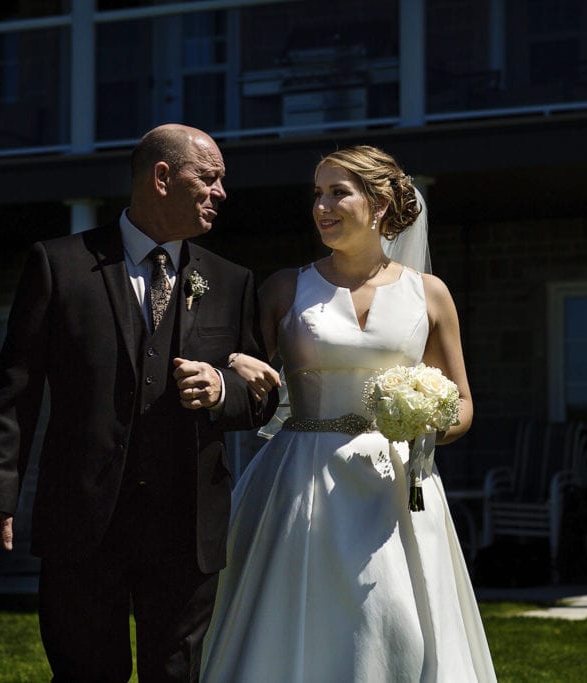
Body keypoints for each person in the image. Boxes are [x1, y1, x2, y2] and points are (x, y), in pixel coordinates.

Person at [0, 124, 278, 682]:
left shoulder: (232, 282)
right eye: (209, 178)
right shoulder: (59, 265)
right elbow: (15, 394)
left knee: (176, 675)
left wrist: (222, 390)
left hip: (187, 528)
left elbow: (261, 396)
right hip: (83, 523)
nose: (222, 192)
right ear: (162, 177)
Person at [200, 146, 497, 682]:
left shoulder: (429, 295)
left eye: (339, 192)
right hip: (298, 481)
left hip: (395, 487)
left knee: (395, 626)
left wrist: (426, 422)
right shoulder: (285, 288)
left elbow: (464, 406)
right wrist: (238, 368)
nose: (322, 206)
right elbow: (247, 386)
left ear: (380, 203)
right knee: (296, 622)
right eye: (317, 193)